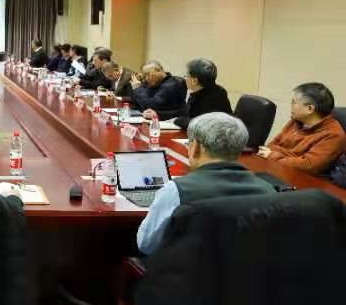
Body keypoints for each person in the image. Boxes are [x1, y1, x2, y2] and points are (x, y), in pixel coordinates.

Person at [137, 113, 275, 255]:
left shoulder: (176, 190)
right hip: (244, 267)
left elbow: (147, 245)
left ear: (196, 146)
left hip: (188, 267)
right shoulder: (268, 190)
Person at [257, 83, 346, 174]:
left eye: (294, 102)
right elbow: (272, 145)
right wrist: (289, 156)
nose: (291, 105)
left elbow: (307, 165)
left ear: (310, 109)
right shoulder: (297, 121)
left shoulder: (333, 135)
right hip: (279, 169)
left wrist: (273, 155)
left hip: (303, 178)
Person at [173, 58, 232, 130]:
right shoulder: (207, 92)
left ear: (194, 81)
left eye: (187, 76)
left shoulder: (212, 98)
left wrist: (178, 120)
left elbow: (200, 125)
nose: (185, 79)